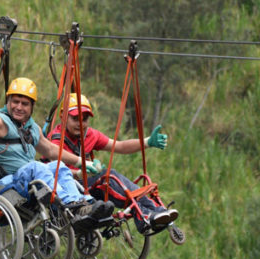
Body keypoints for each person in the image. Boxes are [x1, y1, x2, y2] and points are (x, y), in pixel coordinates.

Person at [0, 78, 114, 229]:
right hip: (1, 188)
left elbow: (51, 150)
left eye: (25, 103)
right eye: (15, 101)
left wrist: (82, 163)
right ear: (8, 101)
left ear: (32, 107)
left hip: (22, 184)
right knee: (37, 166)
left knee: (57, 166)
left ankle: (82, 206)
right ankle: (69, 205)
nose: (19, 107)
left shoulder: (31, 128)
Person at [46, 93, 179, 234]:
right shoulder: (55, 141)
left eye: (84, 119)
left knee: (111, 176)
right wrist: (81, 173)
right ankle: (143, 215)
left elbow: (119, 146)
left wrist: (146, 142)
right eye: (75, 119)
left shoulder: (90, 135)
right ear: (63, 117)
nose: (80, 124)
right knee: (107, 178)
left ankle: (156, 211)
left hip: (85, 187)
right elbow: (56, 172)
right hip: (66, 192)